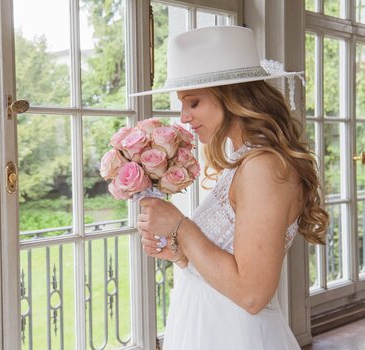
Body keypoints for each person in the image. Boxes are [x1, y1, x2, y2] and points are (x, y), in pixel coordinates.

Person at [132, 26, 329, 349]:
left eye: (193, 103)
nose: (184, 117)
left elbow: (252, 294)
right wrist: (182, 255)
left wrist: (180, 226)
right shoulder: (245, 161)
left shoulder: (262, 167)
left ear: (232, 96)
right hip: (209, 327)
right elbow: (230, 264)